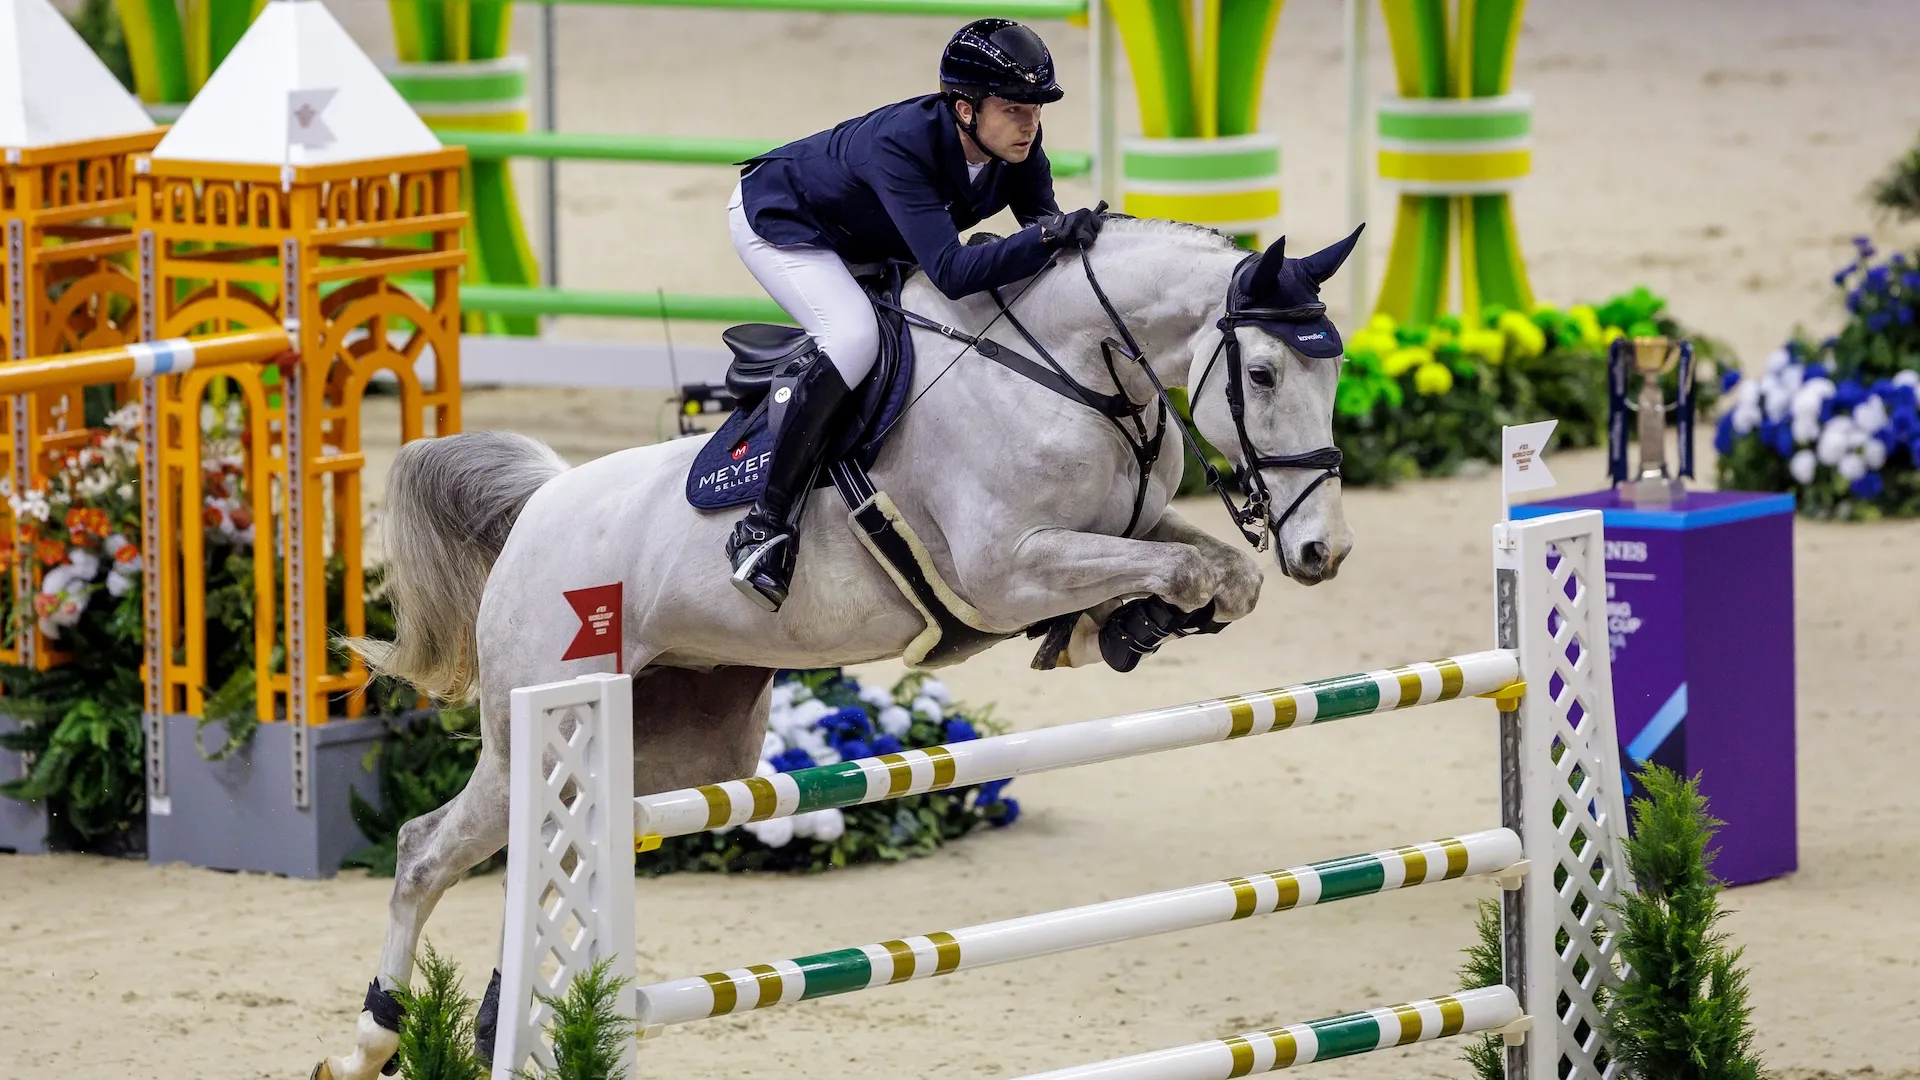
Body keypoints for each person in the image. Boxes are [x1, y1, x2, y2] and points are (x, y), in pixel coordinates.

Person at [723, 17, 1107, 612]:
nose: (1029, 123)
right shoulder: (901, 145)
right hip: (786, 226)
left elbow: (1039, 235)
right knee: (854, 340)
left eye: (1036, 108)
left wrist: (1066, 237)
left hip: (875, 237)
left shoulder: (1018, 147)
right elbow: (953, 272)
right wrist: (1048, 237)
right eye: (1013, 108)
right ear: (963, 107)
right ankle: (765, 524)